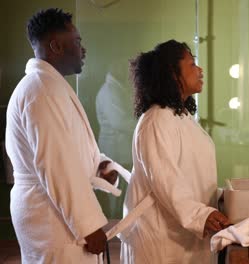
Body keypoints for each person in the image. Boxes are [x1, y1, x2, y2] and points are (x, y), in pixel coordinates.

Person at [5, 8, 117, 263]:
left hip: (56, 210)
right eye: (77, 42)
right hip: (51, 217)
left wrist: (97, 164)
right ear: (55, 46)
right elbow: (56, 164)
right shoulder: (40, 91)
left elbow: (68, 149)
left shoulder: (49, 86)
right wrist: (88, 225)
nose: (83, 49)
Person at [120, 40, 230, 264]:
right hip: (159, 239)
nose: (200, 70)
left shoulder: (179, 116)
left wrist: (221, 197)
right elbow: (165, 180)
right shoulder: (156, 120)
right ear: (172, 73)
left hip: (182, 236)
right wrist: (201, 214)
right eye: (192, 64)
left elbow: (191, 173)